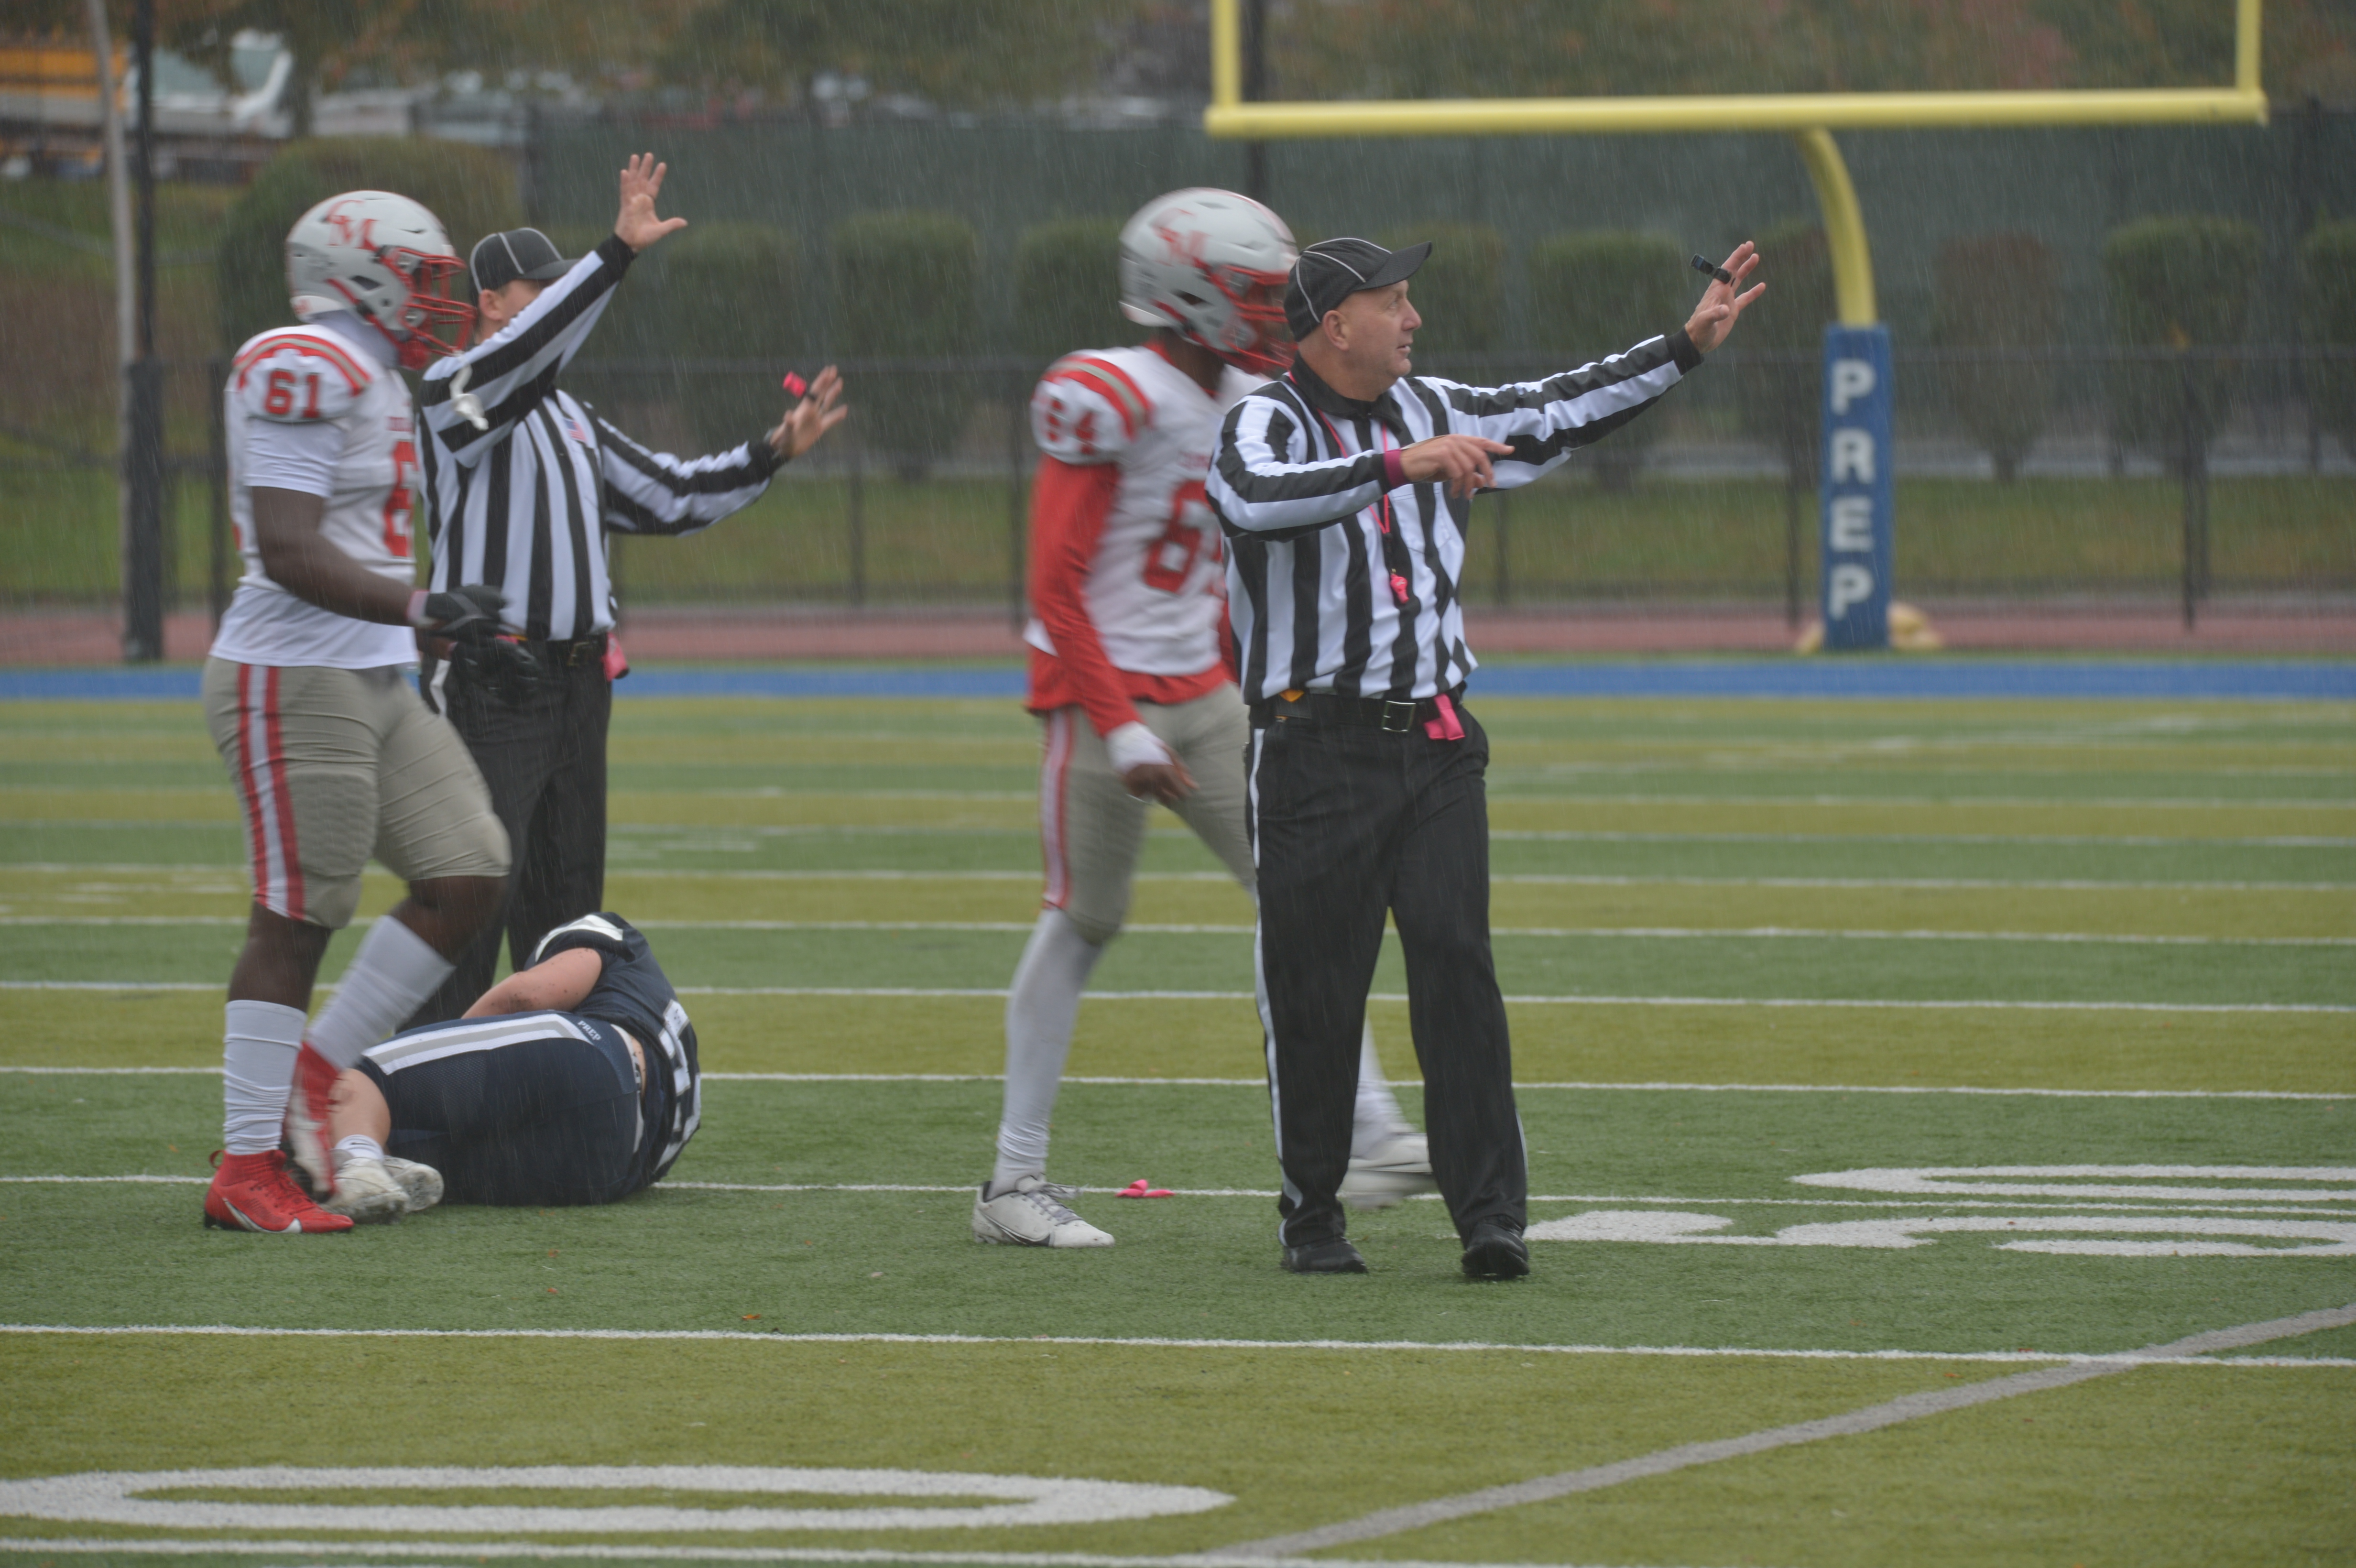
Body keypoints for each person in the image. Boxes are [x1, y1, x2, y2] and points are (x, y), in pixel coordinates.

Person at [1206, 235, 1763, 1277]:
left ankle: (1490, 1216)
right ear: (1336, 323)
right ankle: (1312, 1213)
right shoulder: (1261, 420)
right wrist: (1395, 465)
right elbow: (1251, 498)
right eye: (1394, 301)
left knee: (1457, 967)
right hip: (1311, 747)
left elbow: (1555, 406)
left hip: (1435, 742)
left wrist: (1681, 348)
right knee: (1316, 991)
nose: (1413, 319)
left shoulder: (1435, 404)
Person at [973, 188, 1433, 1250]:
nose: (1276, 312)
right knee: (1084, 921)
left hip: (1204, 692)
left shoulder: (1254, 396)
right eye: (1255, 294)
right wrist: (1117, 723)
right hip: (1103, 692)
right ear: (1190, 296)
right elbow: (1054, 586)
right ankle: (1011, 1179)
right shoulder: (1114, 395)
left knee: (1299, 897)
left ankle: (1370, 1131)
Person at [407, 153, 846, 1026]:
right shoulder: (451, 393)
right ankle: (419, 1086)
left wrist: (770, 452)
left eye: (554, 284)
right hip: (496, 681)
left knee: (566, 921)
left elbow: (672, 496)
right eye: (534, 288)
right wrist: (615, 253)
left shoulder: (571, 418)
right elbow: (533, 345)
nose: (550, 299)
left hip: (577, 685)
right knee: (469, 905)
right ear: (488, 302)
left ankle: (546, 1084)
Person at [201, 188, 542, 1234]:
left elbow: (357, 548)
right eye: (422, 279)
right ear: (358, 277)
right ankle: (245, 1166)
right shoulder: (301, 359)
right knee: (299, 913)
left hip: (370, 670)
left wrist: (438, 632)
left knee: (469, 868)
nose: (439, 300)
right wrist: (417, 605)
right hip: (291, 670)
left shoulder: (381, 378)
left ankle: (314, 1074)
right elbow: (288, 545)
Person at [308, 912, 700, 1211]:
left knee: (366, 1077)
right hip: (607, 1168)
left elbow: (527, 996)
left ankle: (359, 1166)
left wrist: (451, 1049)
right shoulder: (665, 1019)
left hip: (597, 1060)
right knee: (401, 1147)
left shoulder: (611, 936)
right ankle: (364, 1164)